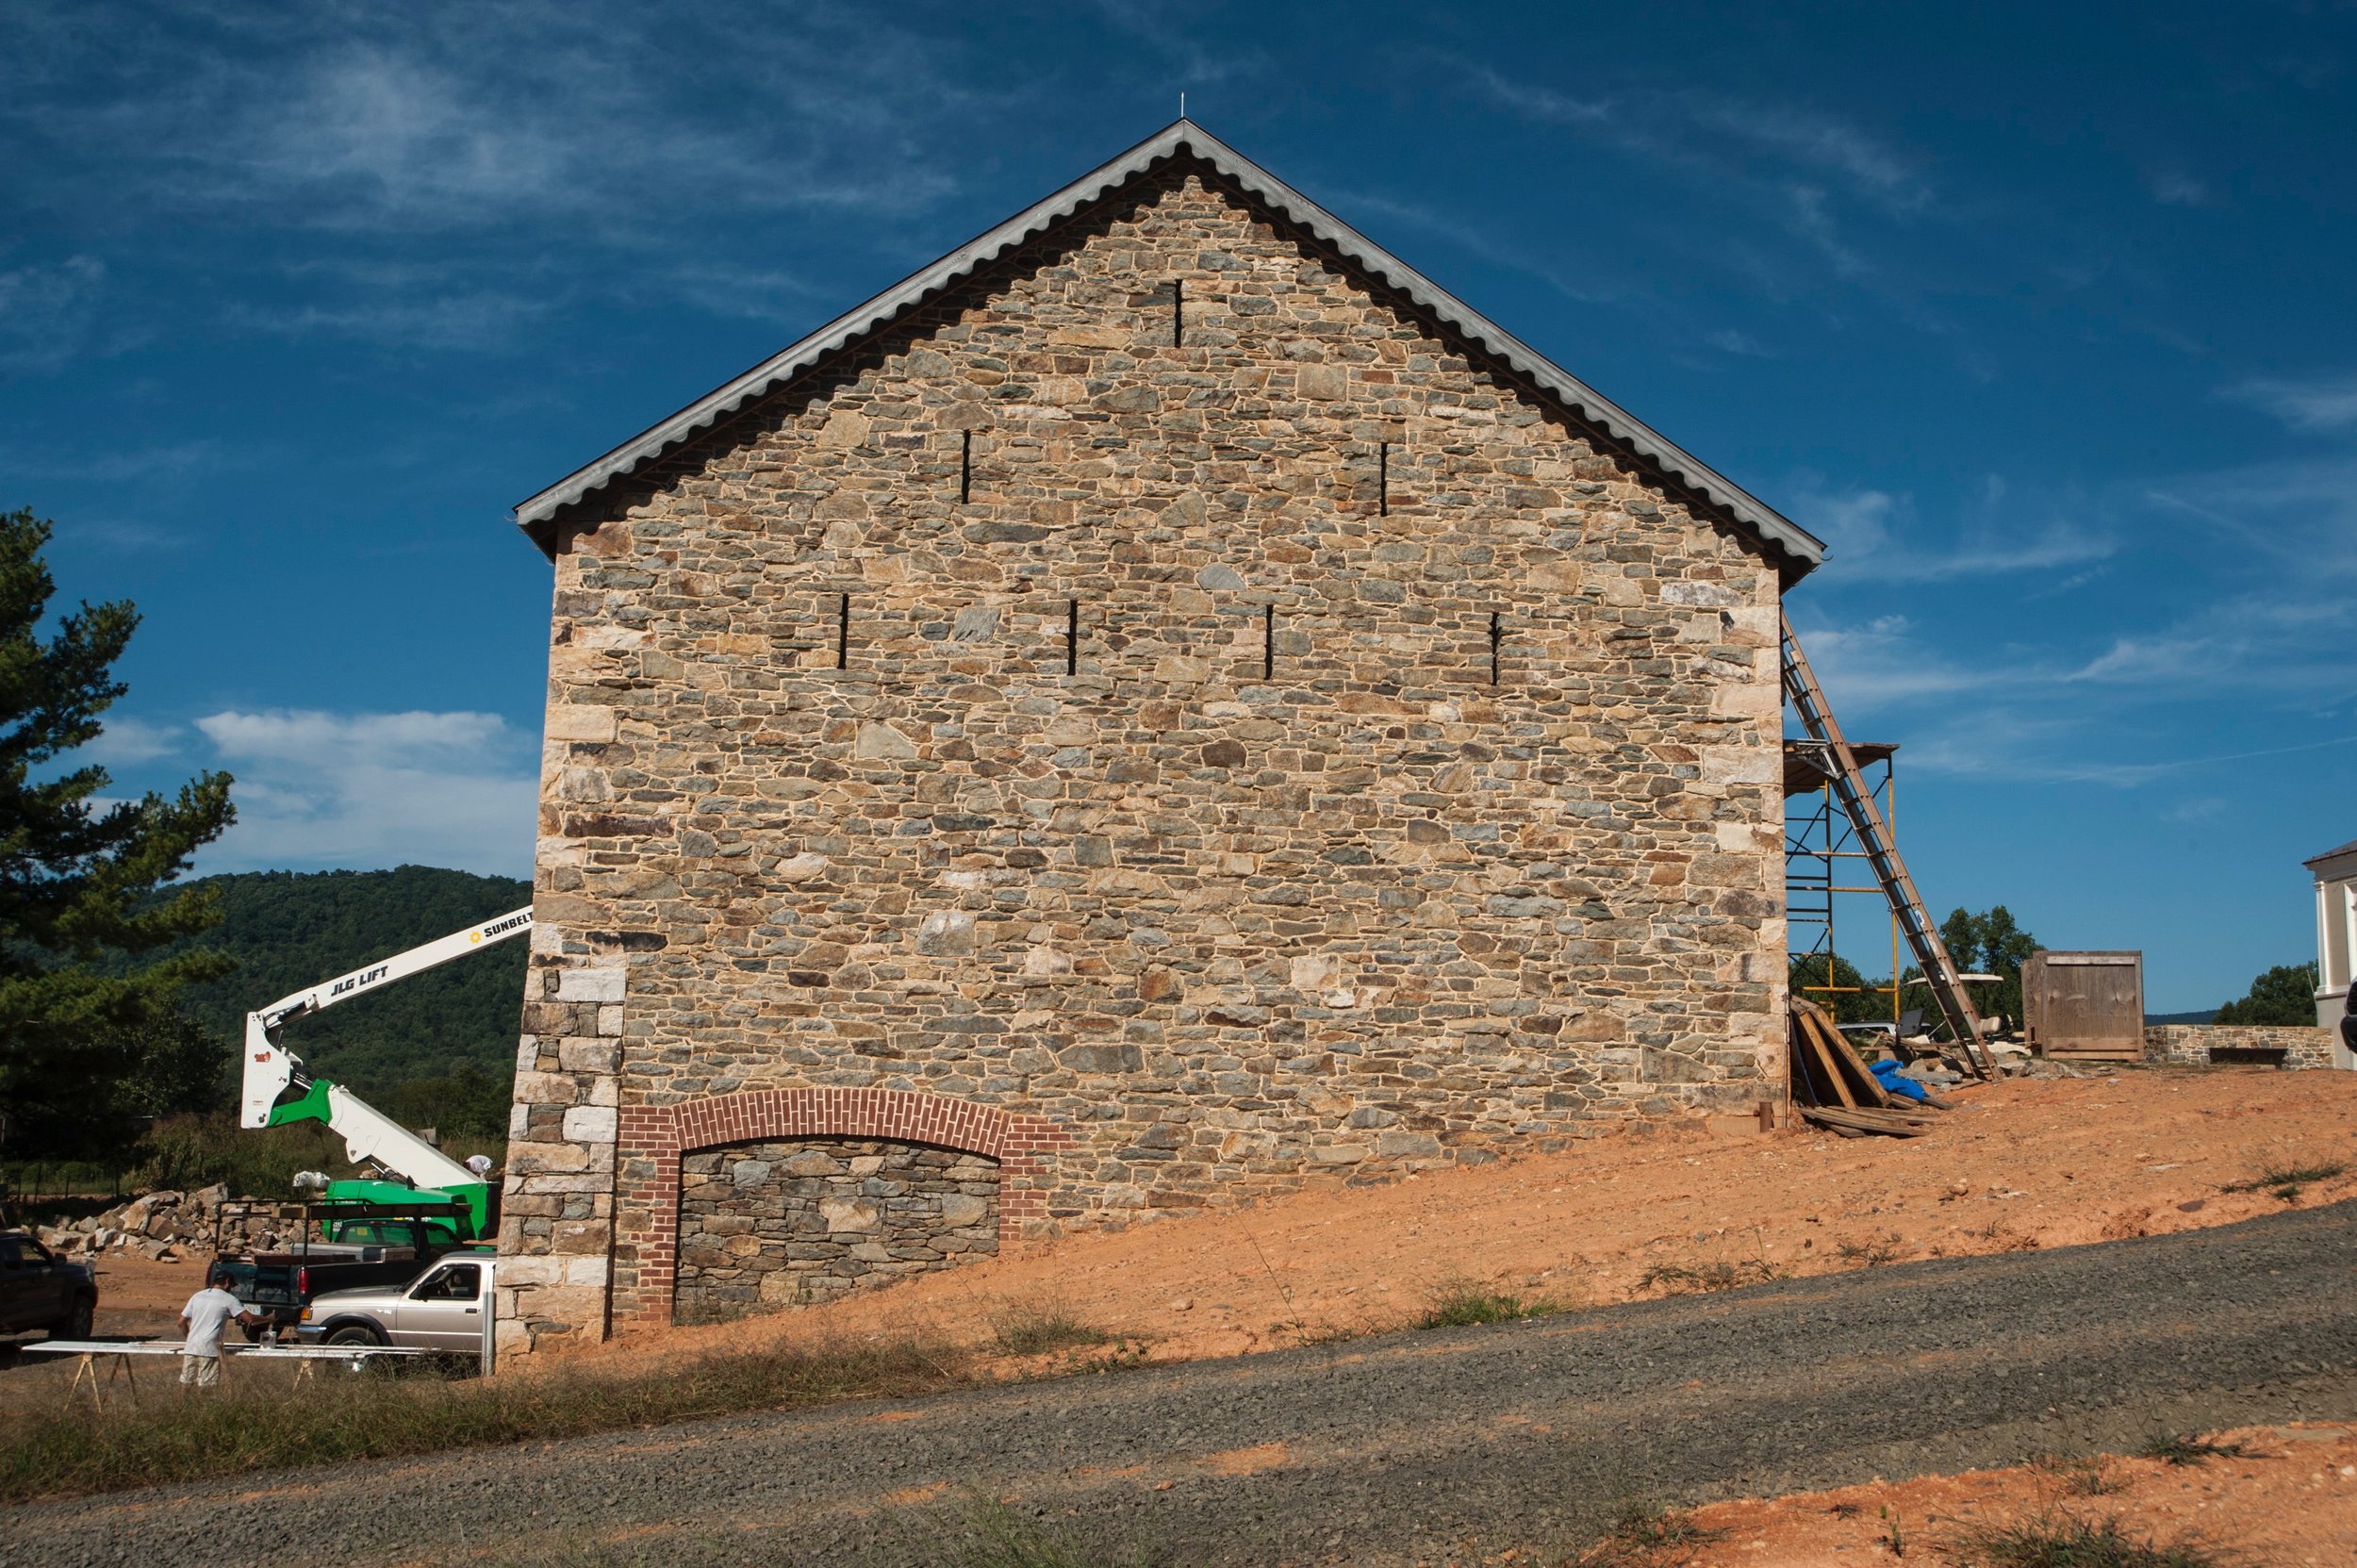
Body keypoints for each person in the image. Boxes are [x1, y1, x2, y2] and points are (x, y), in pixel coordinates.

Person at [177, 1266, 262, 1389]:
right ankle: (203, 1406)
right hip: (209, 1347)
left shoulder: (198, 1296)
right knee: (206, 1385)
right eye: (231, 1286)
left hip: (192, 1346)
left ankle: (183, 1406)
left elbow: (181, 1322)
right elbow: (250, 1320)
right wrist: (268, 1319)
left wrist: (189, 1337)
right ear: (227, 1282)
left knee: (186, 1382)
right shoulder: (229, 1299)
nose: (230, 1289)